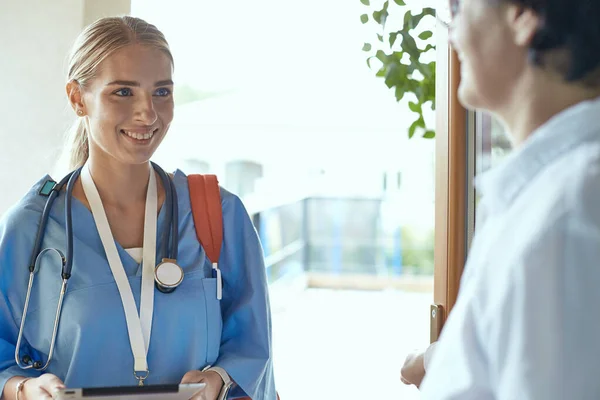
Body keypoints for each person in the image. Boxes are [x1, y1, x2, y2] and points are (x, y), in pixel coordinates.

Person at [0, 16, 277, 400]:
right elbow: (3, 359)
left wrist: (218, 380)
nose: (148, 113)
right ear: (78, 98)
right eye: (123, 92)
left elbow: (253, 349)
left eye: (161, 92)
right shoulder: (32, 228)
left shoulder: (219, 214)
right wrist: (25, 389)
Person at [403, 0, 600, 398]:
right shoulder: (547, 197)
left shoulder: (568, 216)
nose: (450, 27)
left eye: (458, 7)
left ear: (523, 15)